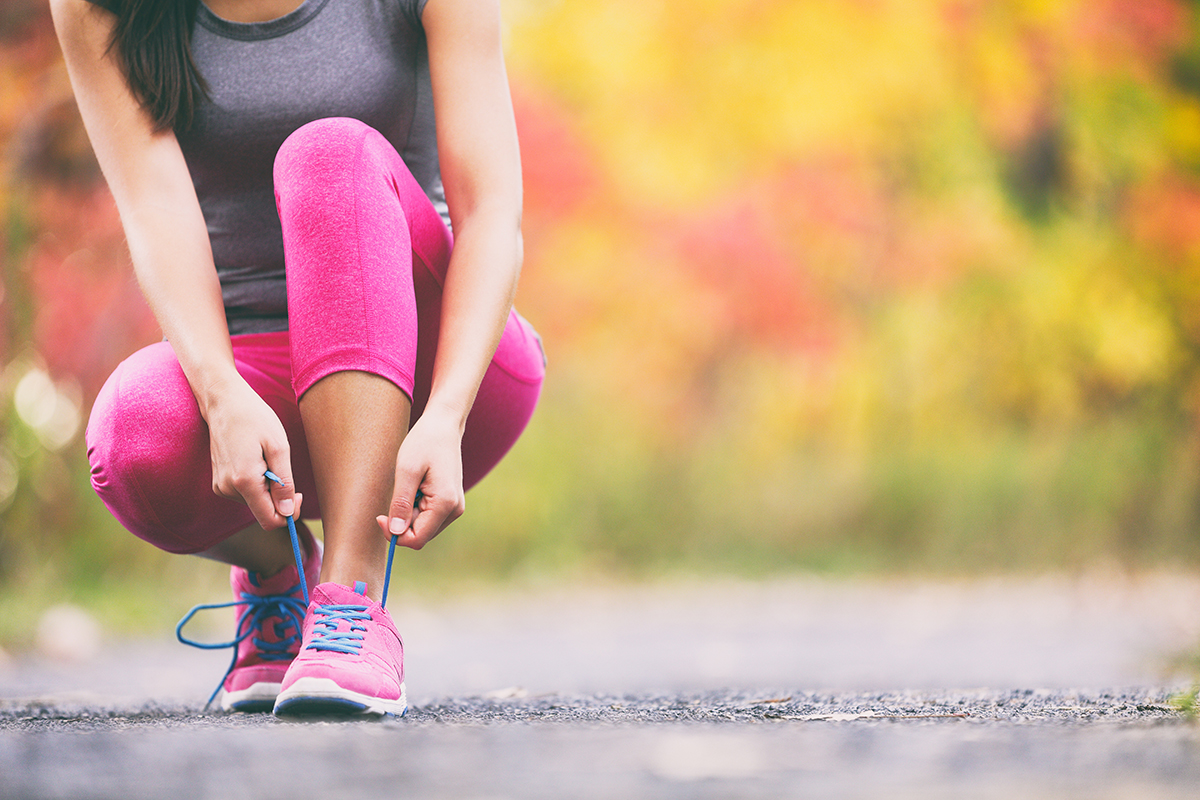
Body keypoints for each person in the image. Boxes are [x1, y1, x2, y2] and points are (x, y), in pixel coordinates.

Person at [50, 0, 545, 717]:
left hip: (437, 368)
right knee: (133, 435)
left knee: (328, 152)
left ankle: (351, 605)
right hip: (258, 386)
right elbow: (153, 204)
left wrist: (446, 413)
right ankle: (282, 577)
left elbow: (492, 210)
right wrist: (218, 392)